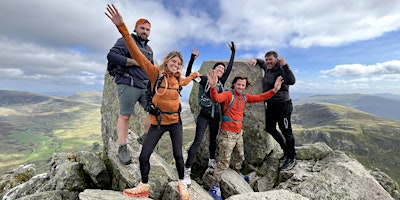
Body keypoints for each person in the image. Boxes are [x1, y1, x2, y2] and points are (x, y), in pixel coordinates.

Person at [106, 4, 200, 200]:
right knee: (143, 156)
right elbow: (137, 54)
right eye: (173, 61)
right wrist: (122, 27)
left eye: (178, 63)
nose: (176, 65)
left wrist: (195, 75)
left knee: (178, 155)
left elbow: (186, 80)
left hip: (175, 122)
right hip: (158, 123)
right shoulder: (155, 73)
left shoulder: (177, 79)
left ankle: (182, 184)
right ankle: (144, 186)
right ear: (167, 62)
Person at [206, 70, 283, 200]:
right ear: (234, 84)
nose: (241, 87)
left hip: (238, 133)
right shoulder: (227, 94)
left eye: (243, 85)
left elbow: (260, 97)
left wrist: (274, 91)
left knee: (240, 156)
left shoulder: (245, 97)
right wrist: (213, 86)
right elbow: (216, 98)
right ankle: (214, 186)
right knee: (223, 162)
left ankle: (237, 174)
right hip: (227, 134)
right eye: (239, 84)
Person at [183, 42, 236, 187]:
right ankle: (187, 170)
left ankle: (212, 161)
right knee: (198, 141)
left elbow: (229, 68)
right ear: (213, 70)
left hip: (216, 117)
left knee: (213, 140)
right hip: (204, 115)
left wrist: (233, 52)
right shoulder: (205, 79)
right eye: (218, 68)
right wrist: (192, 59)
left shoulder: (222, 82)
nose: (221, 69)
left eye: (222, 69)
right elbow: (188, 75)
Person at [107, 15, 154, 165]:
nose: (145, 32)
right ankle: (122, 147)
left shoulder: (149, 49)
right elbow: (111, 55)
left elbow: (150, 68)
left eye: (147, 29)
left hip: (144, 86)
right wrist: (133, 61)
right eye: (142, 28)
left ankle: (144, 137)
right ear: (136, 29)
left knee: (154, 111)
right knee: (125, 116)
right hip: (128, 83)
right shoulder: (126, 41)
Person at [248, 51, 297, 171]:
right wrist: (255, 59)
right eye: (266, 59)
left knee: (286, 131)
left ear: (277, 60)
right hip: (270, 105)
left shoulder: (281, 69)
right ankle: (285, 150)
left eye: (270, 59)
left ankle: (292, 158)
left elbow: (291, 81)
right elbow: (261, 62)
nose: (268, 61)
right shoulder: (267, 67)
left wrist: (285, 65)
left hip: (283, 105)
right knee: (270, 128)